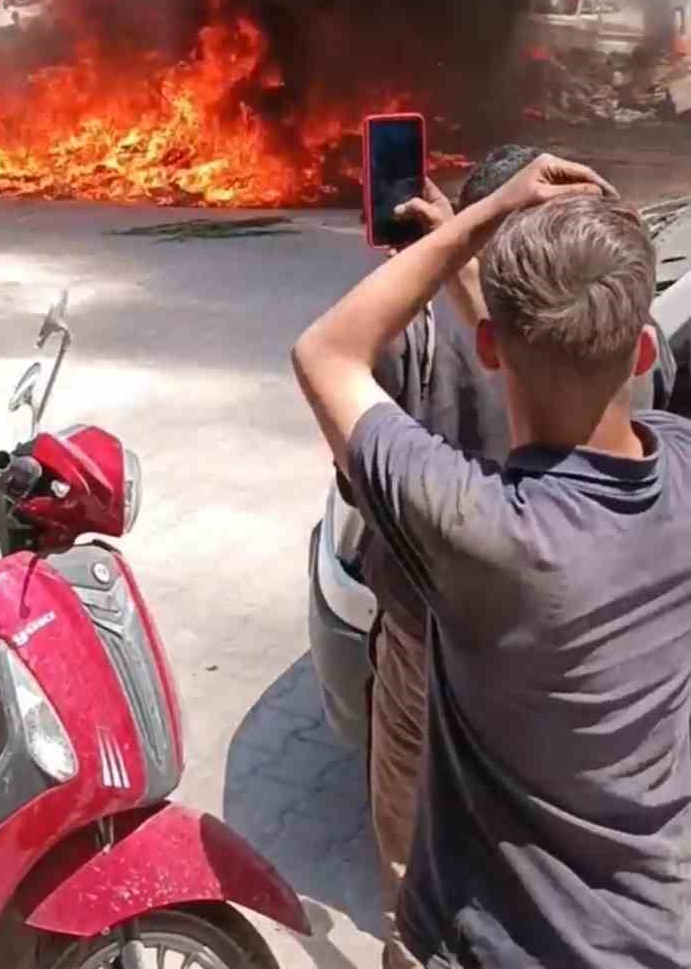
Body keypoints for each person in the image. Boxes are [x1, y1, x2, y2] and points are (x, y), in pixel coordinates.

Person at [294, 154, 691, 968]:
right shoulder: (681, 467)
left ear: (486, 346)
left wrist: (477, 221)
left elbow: (326, 352)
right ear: (644, 354)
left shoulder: (483, 532)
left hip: (501, 946)